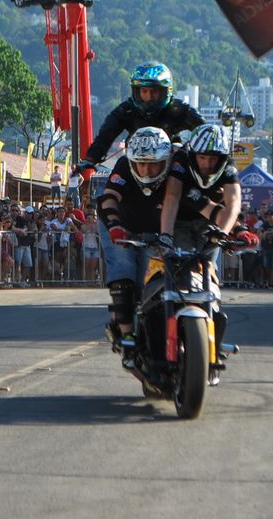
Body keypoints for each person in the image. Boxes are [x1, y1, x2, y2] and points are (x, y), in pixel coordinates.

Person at [96, 126, 175, 367]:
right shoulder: (122, 166)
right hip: (122, 225)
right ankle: (127, 334)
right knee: (124, 271)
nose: (146, 170)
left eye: (153, 164)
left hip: (158, 230)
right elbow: (109, 197)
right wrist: (115, 226)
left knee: (158, 280)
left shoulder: (177, 169)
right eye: (140, 163)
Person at [77, 62, 203, 170]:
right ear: (136, 91)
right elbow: (106, 133)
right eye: (144, 91)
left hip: (171, 166)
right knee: (119, 169)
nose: (149, 97)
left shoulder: (178, 109)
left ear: (165, 91)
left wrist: (189, 150)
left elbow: (205, 132)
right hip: (136, 165)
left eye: (154, 92)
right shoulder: (127, 109)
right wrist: (91, 158)